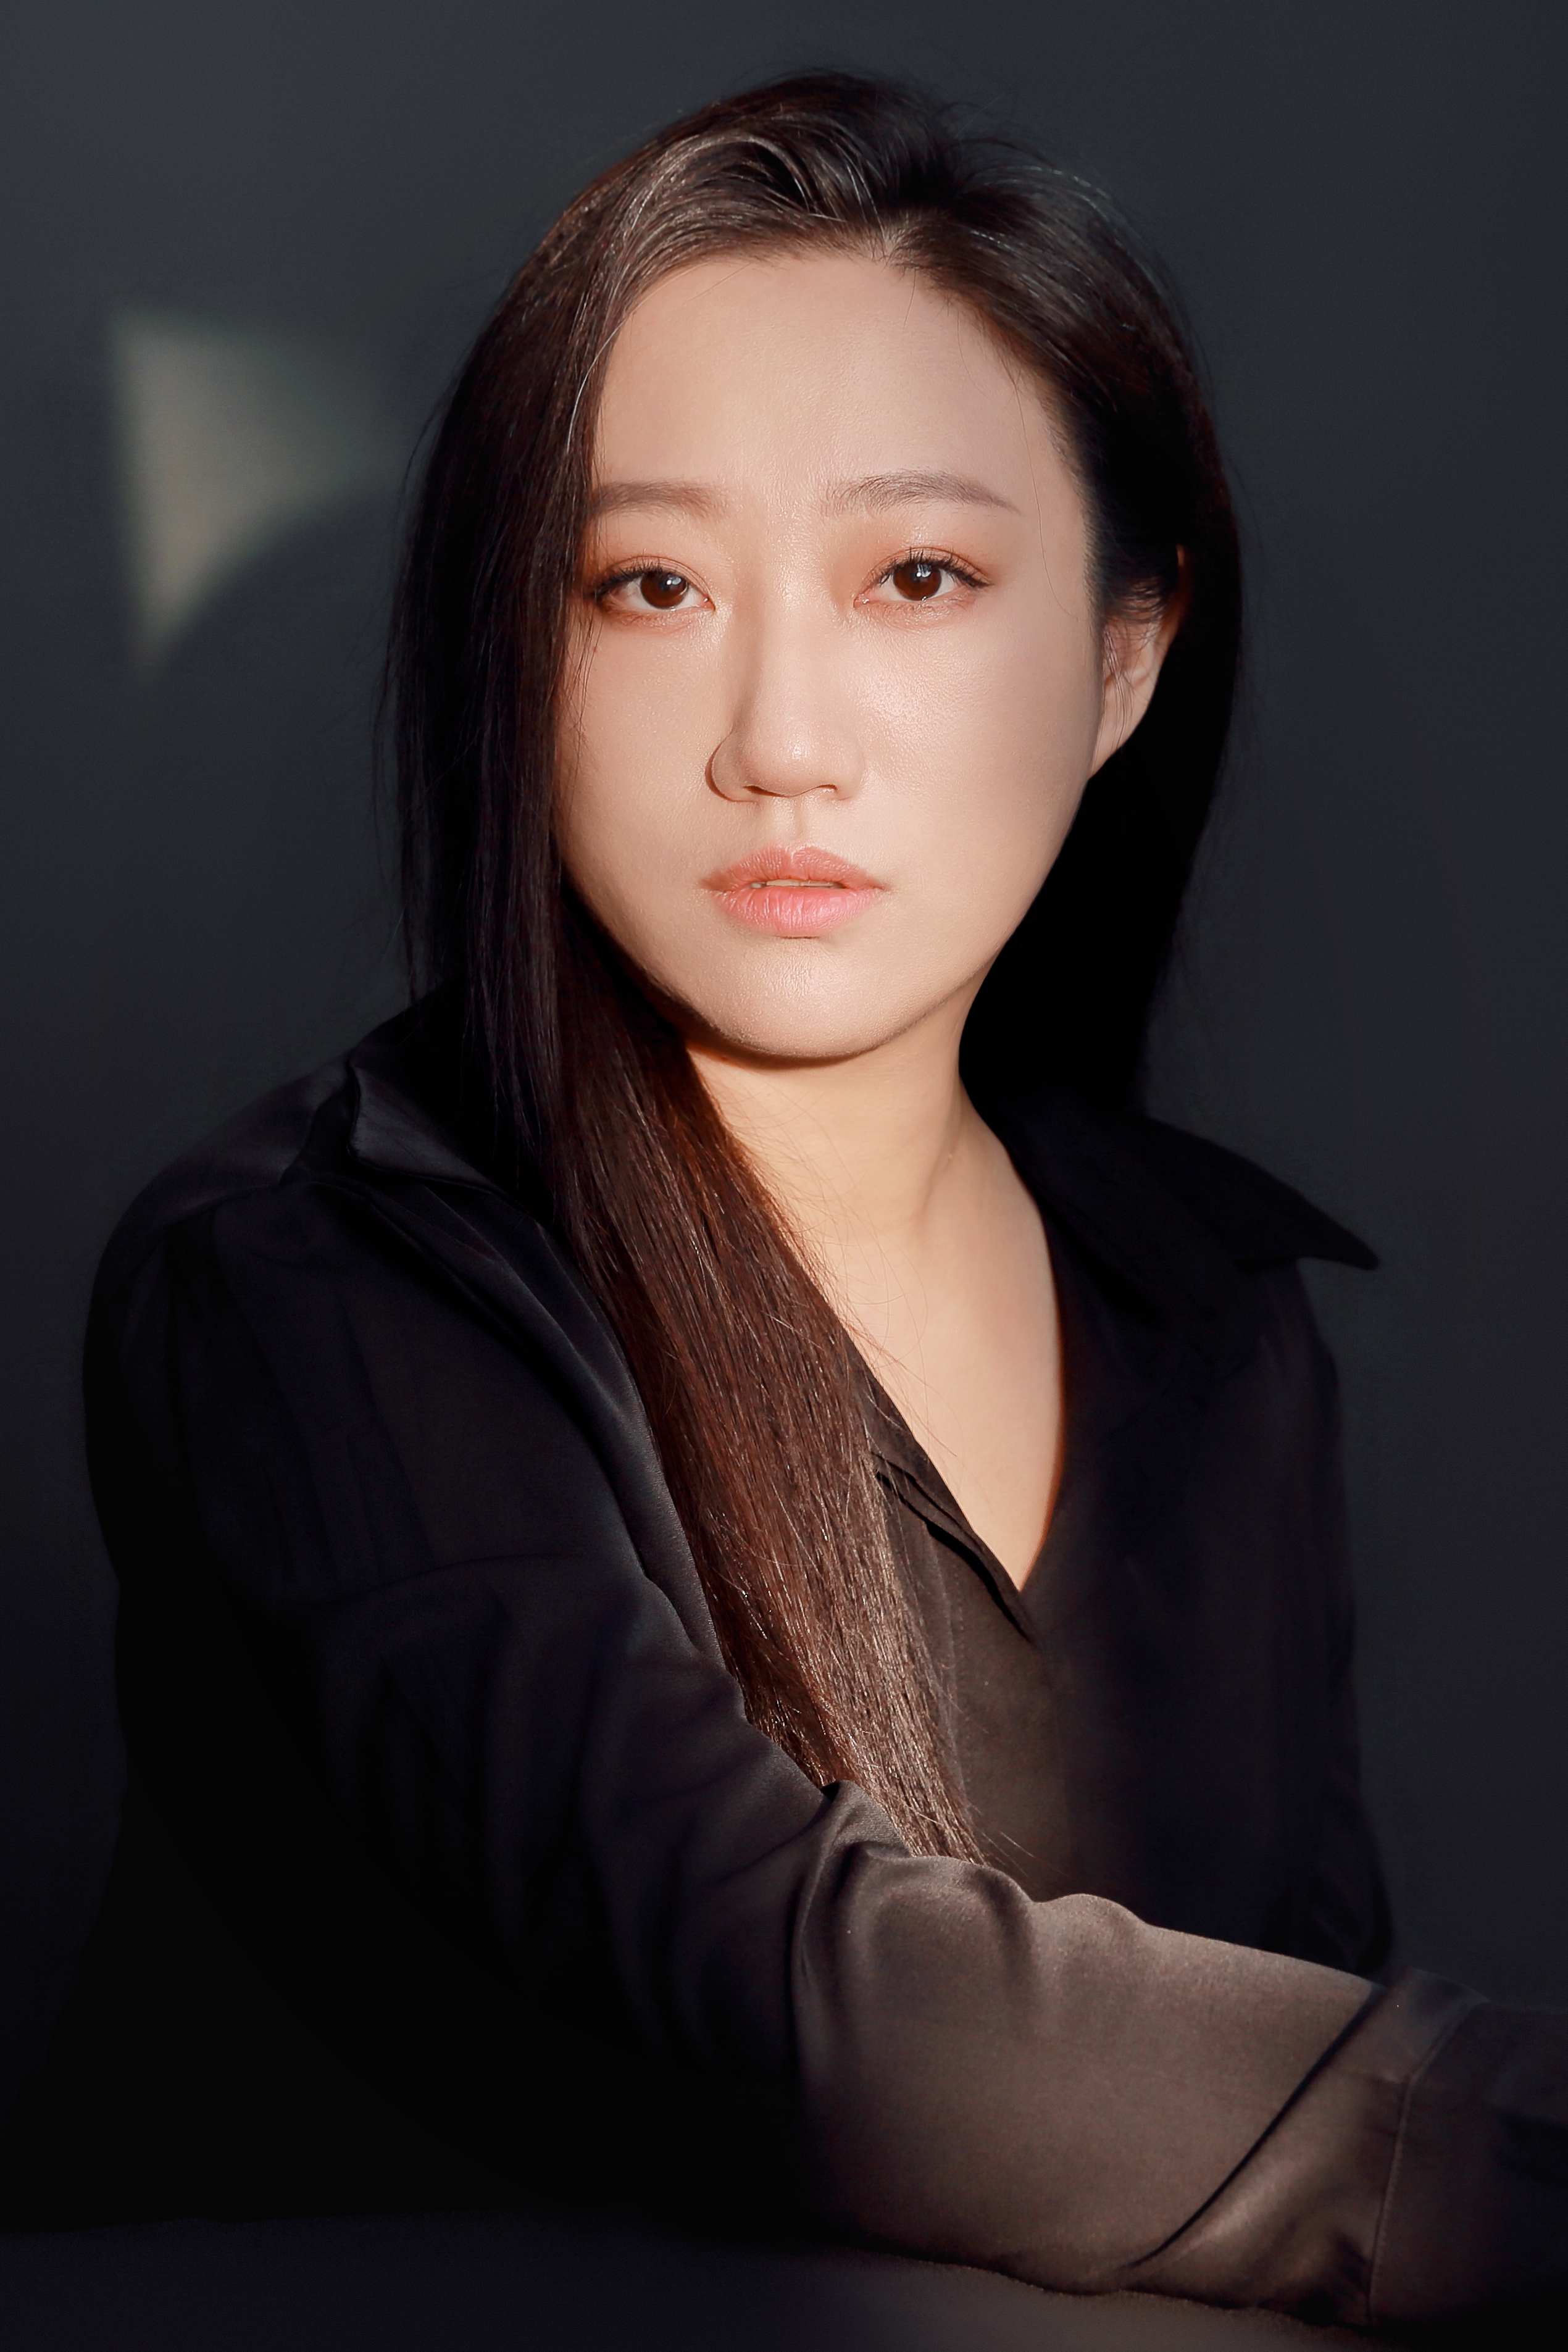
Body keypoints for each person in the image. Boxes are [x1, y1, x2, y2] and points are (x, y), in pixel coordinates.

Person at [9, 73, 1565, 2325]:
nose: (779, 740)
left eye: (915, 577)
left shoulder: (1211, 1313)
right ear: (517, 652)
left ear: (1121, 657)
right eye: (648, 585)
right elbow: (791, 2007)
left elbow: (1265, 2168)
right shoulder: (317, 1277)